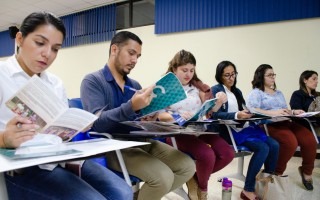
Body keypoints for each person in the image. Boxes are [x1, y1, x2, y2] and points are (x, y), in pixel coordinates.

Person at [0, 12, 132, 200]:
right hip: (25, 167)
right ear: (20, 39)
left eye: (55, 49)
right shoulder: (2, 76)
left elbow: (60, 128)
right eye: (40, 43)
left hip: (60, 157)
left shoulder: (55, 83)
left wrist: (74, 126)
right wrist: (5, 139)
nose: (47, 54)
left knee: (123, 192)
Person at [80, 31, 195, 200]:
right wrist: (131, 107)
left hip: (141, 141)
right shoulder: (92, 81)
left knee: (187, 166)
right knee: (162, 177)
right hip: (113, 147)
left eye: (138, 56)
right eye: (131, 53)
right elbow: (97, 124)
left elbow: (135, 118)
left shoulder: (134, 85)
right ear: (114, 49)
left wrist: (148, 117)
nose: (135, 60)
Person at [158, 50, 234, 200]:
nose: (188, 74)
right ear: (174, 69)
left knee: (228, 153)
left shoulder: (196, 87)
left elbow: (209, 111)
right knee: (207, 155)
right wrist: (176, 116)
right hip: (178, 133)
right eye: (184, 70)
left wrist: (218, 102)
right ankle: (202, 191)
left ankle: (194, 178)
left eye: (191, 70)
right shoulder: (165, 88)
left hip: (199, 129)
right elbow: (160, 116)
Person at [211, 61, 279, 200]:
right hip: (229, 130)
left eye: (233, 74)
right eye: (227, 75)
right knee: (263, 148)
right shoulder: (216, 90)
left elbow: (244, 109)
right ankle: (248, 190)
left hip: (244, 127)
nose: (231, 78)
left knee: (275, 145)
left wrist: (251, 114)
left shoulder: (237, 91)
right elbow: (214, 115)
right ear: (220, 76)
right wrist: (237, 115)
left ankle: (266, 182)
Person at [247, 64, 317, 191]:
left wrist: (294, 112)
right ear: (261, 77)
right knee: (290, 142)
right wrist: (273, 113)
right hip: (270, 123)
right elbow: (252, 109)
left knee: (310, 140)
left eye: (273, 74)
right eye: (269, 75)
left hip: (286, 121)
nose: (273, 77)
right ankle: (275, 173)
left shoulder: (278, 93)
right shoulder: (256, 93)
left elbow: (284, 109)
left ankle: (306, 172)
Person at [289, 70, 320, 136]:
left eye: (317, 79)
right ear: (305, 80)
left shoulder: (318, 95)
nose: (317, 81)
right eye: (314, 79)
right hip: (307, 124)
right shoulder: (297, 94)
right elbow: (297, 112)